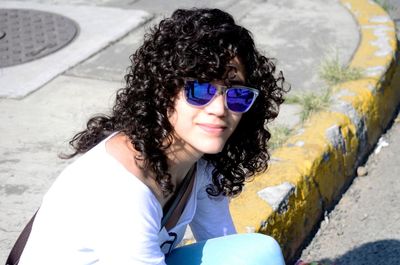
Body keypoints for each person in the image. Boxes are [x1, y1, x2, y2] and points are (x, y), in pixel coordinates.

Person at [16, 8, 287, 265]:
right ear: (164, 90)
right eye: (200, 91)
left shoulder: (198, 166)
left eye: (236, 94)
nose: (219, 109)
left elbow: (229, 246)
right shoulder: (124, 190)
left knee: (258, 252)